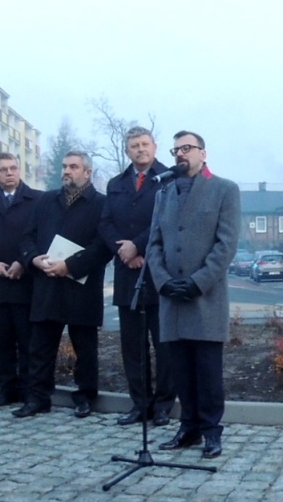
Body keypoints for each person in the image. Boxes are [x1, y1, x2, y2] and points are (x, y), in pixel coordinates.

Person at [146, 130, 240, 459]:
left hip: (205, 297)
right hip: (171, 297)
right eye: (176, 150)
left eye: (187, 148)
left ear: (203, 153)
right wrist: (162, 280)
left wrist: (198, 281)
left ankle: (212, 431)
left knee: (207, 371)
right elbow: (154, 243)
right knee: (180, 370)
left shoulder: (224, 190)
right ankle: (188, 428)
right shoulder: (164, 193)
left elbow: (225, 245)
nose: (180, 154)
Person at [13, 151, 112, 420]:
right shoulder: (47, 200)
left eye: (74, 166)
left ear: (87, 172)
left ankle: (85, 397)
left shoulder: (101, 203)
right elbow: (27, 238)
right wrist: (33, 259)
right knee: (40, 347)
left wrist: (70, 265)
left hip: (82, 285)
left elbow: (104, 246)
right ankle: (37, 398)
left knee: (85, 347)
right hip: (47, 283)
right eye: (64, 166)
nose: (67, 171)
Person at [98, 126, 175, 427]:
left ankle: (164, 405)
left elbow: (168, 221)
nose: (140, 149)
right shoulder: (116, 183)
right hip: (126, 272)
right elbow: (105, 223)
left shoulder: (169, 180)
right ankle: (139, 404)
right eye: (134, 145)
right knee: (132, 346)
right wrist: (123, 250)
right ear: (127, 150)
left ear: (155, 147)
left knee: (164, 343)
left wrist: (138, 246)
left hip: (158, 270)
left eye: (145, 144)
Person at [0, 152, 40, 407]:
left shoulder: (35, 199)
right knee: (0, 340)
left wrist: (23, 262)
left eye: (13, 168)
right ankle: (6, 388)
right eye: (3, 169)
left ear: (20, 170)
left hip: (25, 280)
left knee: (27, 340)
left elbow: (37, 236)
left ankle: (27, 389)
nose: (9, 173)